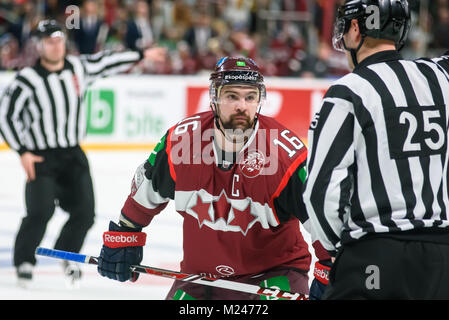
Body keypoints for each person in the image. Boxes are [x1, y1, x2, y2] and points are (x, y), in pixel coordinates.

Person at [97, 56, 331, 300]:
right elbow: (147, 190)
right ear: (214, 97)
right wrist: (126, 233)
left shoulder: (285, 154)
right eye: (232, 96)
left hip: (271, 277)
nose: (242, 106)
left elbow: (322, 217)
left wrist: (329, 270)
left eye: (250, 97)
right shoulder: (182, 141)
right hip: (200, 278)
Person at [0, 19, 166, 288]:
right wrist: (23, 152)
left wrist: (141, 54)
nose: (56, 46)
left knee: (85, 213)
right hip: (41, 157)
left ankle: (66, 253)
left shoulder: (78, 67)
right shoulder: (26, 80)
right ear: (39, 46)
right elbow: (6, 117)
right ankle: (24, 261)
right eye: (50, 42)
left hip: (73, 155)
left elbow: (107, 61)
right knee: (39, 212)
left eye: (59, 40)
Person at [303, 0, 449, 299]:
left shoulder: (348, 91)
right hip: (443, 255)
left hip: (377, 254)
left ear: (355, 29)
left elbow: (320, 190)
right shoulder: (441, 77)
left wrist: (338, 250)